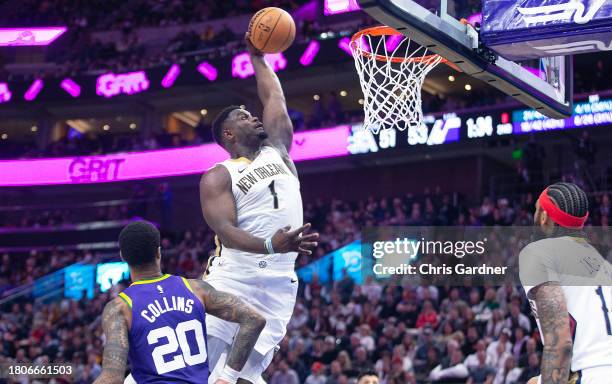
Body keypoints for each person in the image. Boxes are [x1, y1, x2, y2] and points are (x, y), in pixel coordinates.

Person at [199, 33, 319, 384]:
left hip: (279, 285)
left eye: (251, 113)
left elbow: (274, 97)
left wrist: (258, 58)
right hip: (233, 280)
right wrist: (270, 244)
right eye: (242, 116)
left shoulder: (279, 151)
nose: (253, 117)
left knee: (239, 379)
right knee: (190, 370)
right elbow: (226, 232)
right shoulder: (218, 175)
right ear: (228, 135)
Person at [93, 221, 266, 384]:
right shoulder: (195, 289)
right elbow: (254, 319)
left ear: (123, 256)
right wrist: (228, 377)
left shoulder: (120, 308)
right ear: (159, 252)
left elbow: (112, 378)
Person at [519, 182, 612, 384]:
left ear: (543, 217)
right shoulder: (603, 264)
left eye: (536, 209)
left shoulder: (538, 253)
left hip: (593, 374)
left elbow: (560, 345)